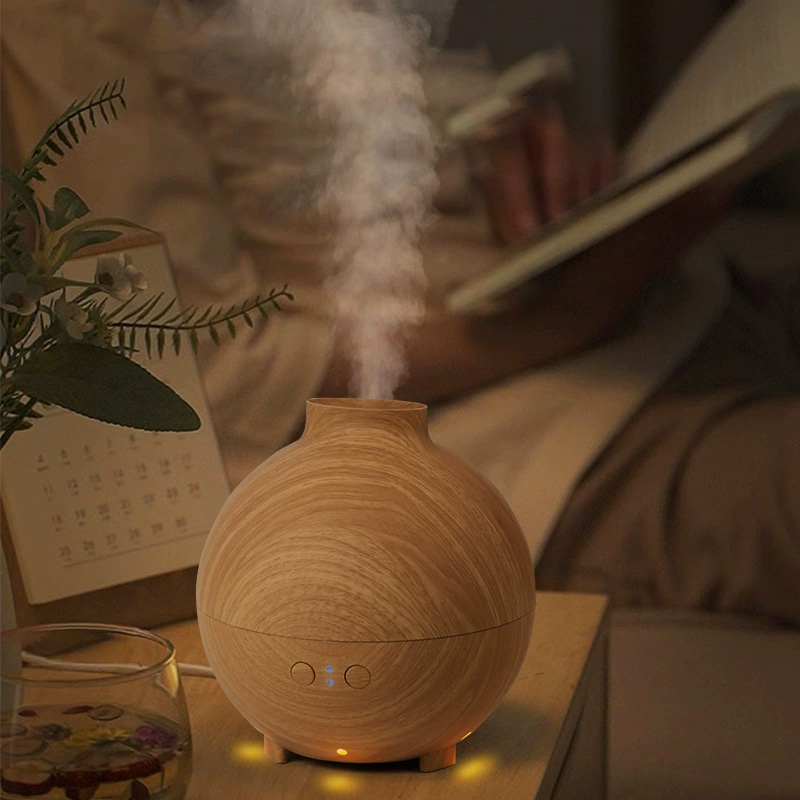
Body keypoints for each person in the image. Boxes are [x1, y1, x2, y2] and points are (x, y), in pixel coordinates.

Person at [2, 0, 799, 622]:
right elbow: (204, 371)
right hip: (536, 431)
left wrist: (505, 140)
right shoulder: (73, 27)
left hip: (681, 302)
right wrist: (577, 309)